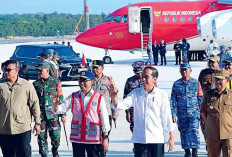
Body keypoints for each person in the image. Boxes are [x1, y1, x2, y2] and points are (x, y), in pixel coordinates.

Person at [110, 66, 175, 157]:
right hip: (140, 139)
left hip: (156, 139)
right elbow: (121, 105)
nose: (143, 79)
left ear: (154, 79)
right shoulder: (136, 93)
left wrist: (171, 136)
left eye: (146, 77)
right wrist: (113, 98)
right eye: (142, 76)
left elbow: (167, 116)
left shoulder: (161, 94)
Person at [52, 71, 110, 157]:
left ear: (92, 82)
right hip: (77, 139)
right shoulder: (74, 96)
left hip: (93, 139)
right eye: (80, 81)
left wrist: (105, 138)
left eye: (84, 81)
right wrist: (55, 105)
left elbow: (104, 118)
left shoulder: (99, 98)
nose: (82, 83)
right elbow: (61, 109)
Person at [0, 60, 41, 157]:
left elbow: (34, 104)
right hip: (4, 128)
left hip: (22, 127)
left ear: (17, 70)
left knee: (24, 152)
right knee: (8, 154)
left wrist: (37, 123)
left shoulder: (26, 85)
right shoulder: (1, 85)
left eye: (9, 70)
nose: (6, 72)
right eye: (4, 70)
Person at [33, 63, 65, 157]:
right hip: (41, 115)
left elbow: (61, 97)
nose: (39, 72)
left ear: (47, 70)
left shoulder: (55, 82)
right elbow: (32, 100)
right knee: (41, 137)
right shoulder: (35, 84)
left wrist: (63, 113)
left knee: (56, 136)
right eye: (38, 71)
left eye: (41, 70)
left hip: (53, 114)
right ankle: (44, 154)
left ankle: (55, 150)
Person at [171, 63, 203, 157]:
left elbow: (200, 98)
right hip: (181, 113)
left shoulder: (196, 83)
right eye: (182, 70)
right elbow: (173, 100)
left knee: (194, 131)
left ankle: (195, 151)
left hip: (194, 113)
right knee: (183, 132)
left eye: (186, 70)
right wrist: (173, 113)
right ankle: (187, 152)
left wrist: (201, 112)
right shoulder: (176, 84)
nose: (184, 72)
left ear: (190, 71)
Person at [200, 69, 232, 157]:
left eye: (220, 79)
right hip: (212, 134)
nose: (218, 82)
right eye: (216, 79)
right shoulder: (208, 94)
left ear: (227, 80)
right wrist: (210, 123)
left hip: (228, 134)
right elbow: (203, 112)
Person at [92, 60, 118, 156]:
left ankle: (103, 154)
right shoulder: (89, 80)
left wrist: (115, 112)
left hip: (106, 113)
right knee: (94, 139)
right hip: (93, 114)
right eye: (93, 67)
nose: (94, 70)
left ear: (102, 68)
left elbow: (114, 97)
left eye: (97, 68)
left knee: (105, 137)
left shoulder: (109, 80)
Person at [124, 61, 144, 133]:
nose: (139, 75)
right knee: (134, 129)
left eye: (140, 73)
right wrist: (127, 112)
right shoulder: (130, 81)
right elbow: (125, 96)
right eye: (136, 73)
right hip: (134, 110)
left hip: (146, 110)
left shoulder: (149, 79)